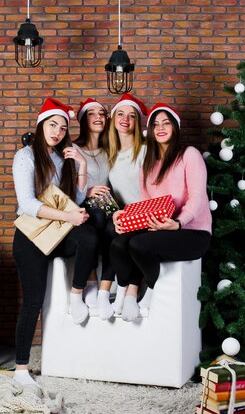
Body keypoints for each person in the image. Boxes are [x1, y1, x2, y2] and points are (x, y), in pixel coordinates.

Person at [11, 98, 98, 387]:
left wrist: (82, 164)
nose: (58, 132)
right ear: (41, 125)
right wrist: (69, 217)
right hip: (31, 237)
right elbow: (27, 204)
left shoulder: (64, 157)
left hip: (57, 231)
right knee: (33, 301)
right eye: (53, 125)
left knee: (89, 237)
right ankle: (21, 369)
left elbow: (78, 200)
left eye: (63, 127)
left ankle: (77, 294)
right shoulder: (25, 156)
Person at [109, 103, 212, 322]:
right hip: (160, 227)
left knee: (139, 245)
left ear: (175, 127)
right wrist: (124, 217)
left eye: (166, 123)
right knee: (119, 243)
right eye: (155, 124)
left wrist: (179, 223)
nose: (160, 128)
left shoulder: (189, 155)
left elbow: (197, 197)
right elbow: (146, 202)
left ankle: (150, 293)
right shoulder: (148, 163)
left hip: (192, 232)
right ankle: (126, 293)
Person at [96, 93, 149, 320]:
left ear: (137, 122)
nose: (125, 119)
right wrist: (114, 212)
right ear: (113, 119)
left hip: (145, 215)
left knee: (125, 242)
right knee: (109, 231)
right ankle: (106, 291)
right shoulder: (109, 154)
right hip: (124, 216)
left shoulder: (146, 150)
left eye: (131, 116)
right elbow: (105, 191)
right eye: (121, 114)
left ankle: (130, 291)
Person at [72, 98, 113, 310]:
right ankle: (90, 282)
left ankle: (108, 289)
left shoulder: (109, 151)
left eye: (102, 113)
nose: (98, 117)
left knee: (115, 226)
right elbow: (62, 186)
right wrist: (87, 192)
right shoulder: (72, 148)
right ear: (82, 120)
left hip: (108, 207)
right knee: (95, 217)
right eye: (91, 113)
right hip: (84, 208)